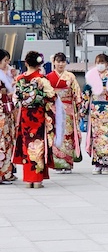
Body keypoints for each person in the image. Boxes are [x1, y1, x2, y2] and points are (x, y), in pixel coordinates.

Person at [12, 51, 57, 188]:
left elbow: (16, 99)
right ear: (39, 64)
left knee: (27, 144)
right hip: (38, 115)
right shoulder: (41, 79)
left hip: (25, 115)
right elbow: (52, 96)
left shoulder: (19, 79)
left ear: (26, 63)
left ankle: (28, 179)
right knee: (38, 144)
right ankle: (37, 179)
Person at [80, 54, 108, 175]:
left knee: (107, 138)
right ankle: (97, 163)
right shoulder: (91, 77)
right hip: (95, 112)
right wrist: (83, 110)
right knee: (96, 139)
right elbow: (86, 95)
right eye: (98, 62)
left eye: (102, 62)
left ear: (107, 64)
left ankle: (107, 164)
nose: (100, 65)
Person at [46, 52, 82, 173]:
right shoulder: (49, 77)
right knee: (56, 135)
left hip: (68, 110)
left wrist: (79, 106)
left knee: (68, 136)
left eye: (62, 61)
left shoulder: (70, 76)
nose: (60, 64)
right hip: (54, 109)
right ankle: (57, 163)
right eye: (58, 61)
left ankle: (67, 163)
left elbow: (77, 93)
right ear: (54, 62)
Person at [0, 49, 16, 184]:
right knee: (2, 143)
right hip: (1, 112)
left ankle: (7, 171)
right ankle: (2, 173)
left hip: (7, 111)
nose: (7, 63)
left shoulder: (7, 74)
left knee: (8, 140)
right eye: (5, 60)